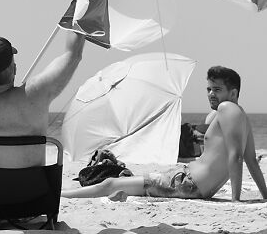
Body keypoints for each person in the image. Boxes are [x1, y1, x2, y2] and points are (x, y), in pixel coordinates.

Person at [63, 66, 267, 203]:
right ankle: (120, 192)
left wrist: (235, 200)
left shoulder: (226, 109)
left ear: (233, 93)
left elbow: (237, 157)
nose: (211, 94)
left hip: (188, 182)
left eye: (217, 89)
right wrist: (265, 195)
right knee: (130, 181)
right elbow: (250, 160)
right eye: (208, 89)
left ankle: (63, 195)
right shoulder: (242, 117)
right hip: (190, 180)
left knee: (111, 183)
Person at [0, 32, 85, 167]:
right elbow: (73, 55)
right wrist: (82, 12)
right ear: (14, 69)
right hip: (34, 191)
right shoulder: (35, 95)